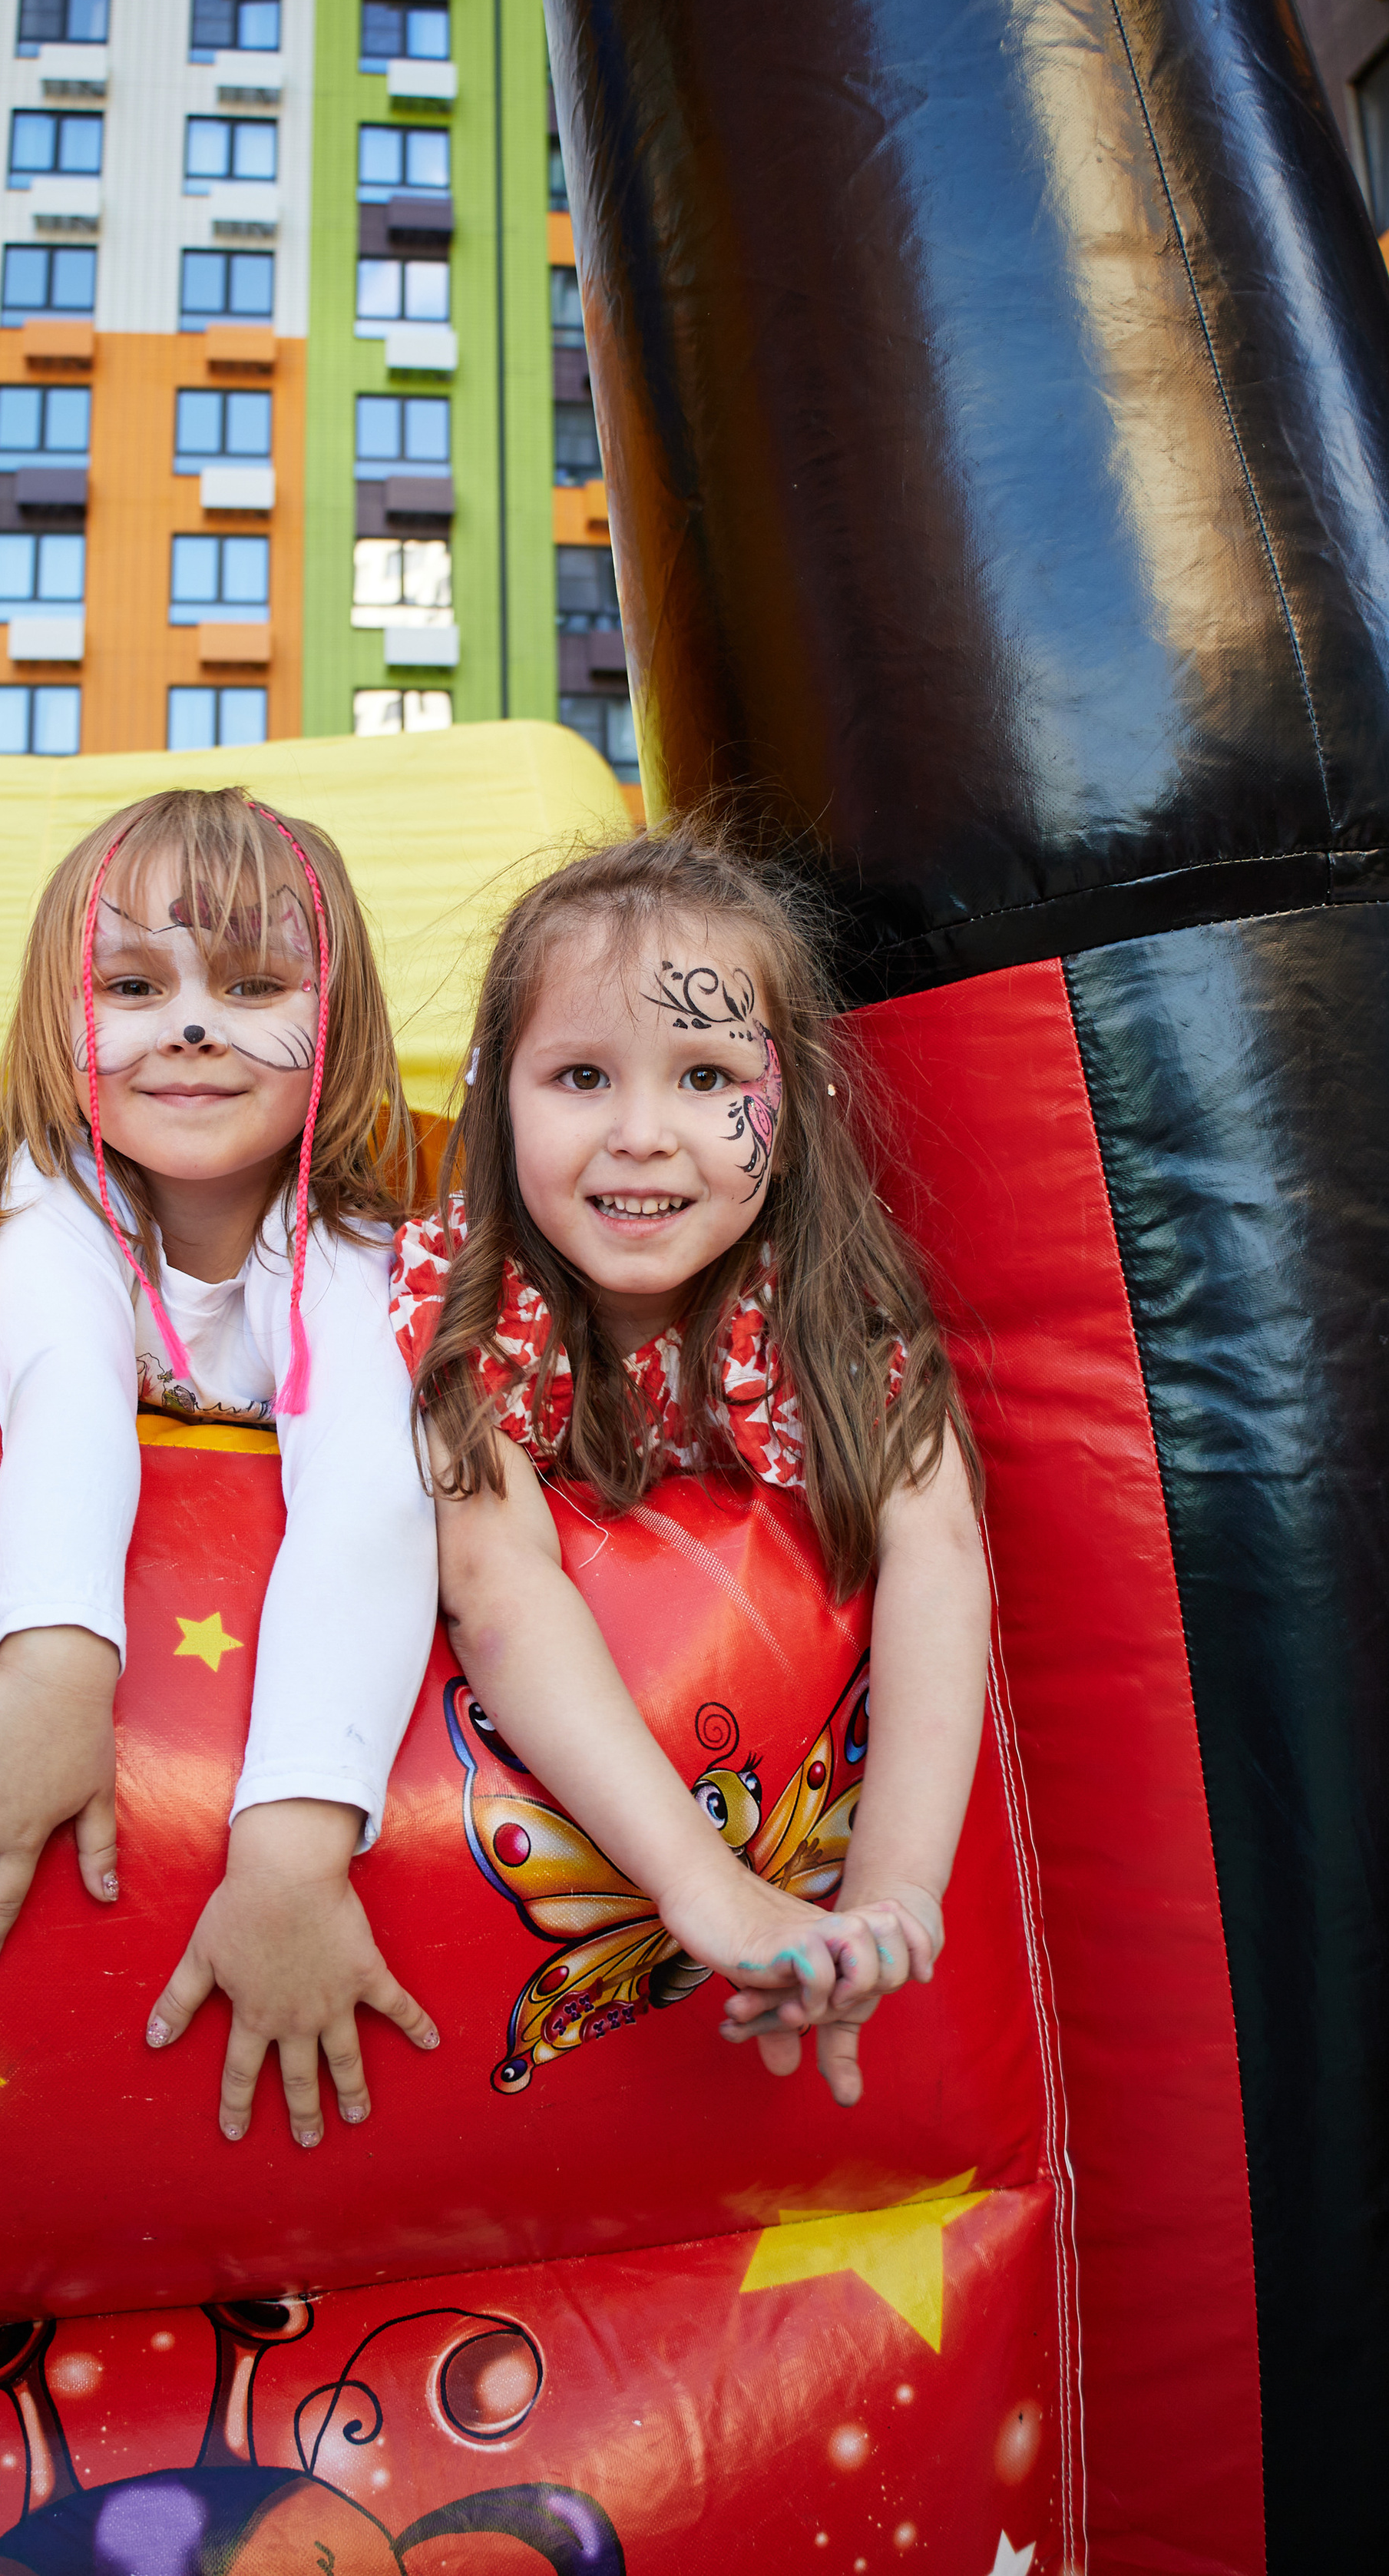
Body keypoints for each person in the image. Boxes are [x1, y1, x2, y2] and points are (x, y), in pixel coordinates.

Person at [0, 788, 440, 2150]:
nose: (196, 1025)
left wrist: (292, 1843)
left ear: (335, 1023)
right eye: (133, 983)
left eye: (256, 982)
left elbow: (368, 1494)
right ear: (63, 1018)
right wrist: (54, 1666)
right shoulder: (60, 1195)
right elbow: (66, 1395)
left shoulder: (346, 1240)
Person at [393, 825, 990, 2104]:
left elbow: (938, 1562)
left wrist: (892, 1892)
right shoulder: (466, 1301)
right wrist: (708, 1890)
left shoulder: (827, 1320)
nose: (646, 1135)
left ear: (799, 1098)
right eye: (582, 1078)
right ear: (499, 1088)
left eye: (710, 1075)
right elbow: (499, 1590)